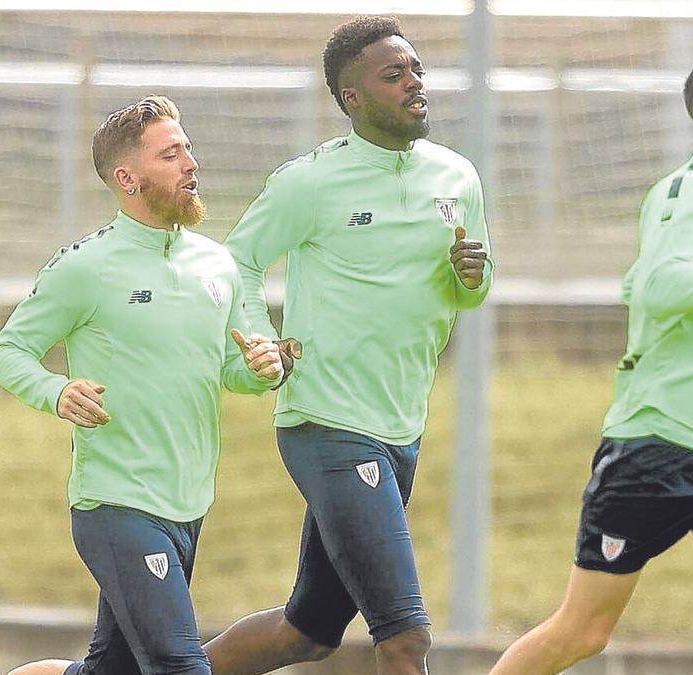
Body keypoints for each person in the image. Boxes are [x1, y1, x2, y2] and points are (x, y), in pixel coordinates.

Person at [488, 48, 693, 675]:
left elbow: (686, 296)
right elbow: (657, 289)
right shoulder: (687, 191)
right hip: (656, 448)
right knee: (582, 633)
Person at [203, 15, 492, 675]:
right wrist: (261, 340)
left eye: (416, 69)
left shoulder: (458, 178)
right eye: (394, 75)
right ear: (354, 99)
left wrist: (470, 277)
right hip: (326, 422)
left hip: (400, 427)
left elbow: (471, 290)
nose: (414, 82)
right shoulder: (309, 181)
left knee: (305, 633)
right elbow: (236, 263)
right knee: (405, 636)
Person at [0, 95, 285, 675]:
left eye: (188, 148)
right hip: (115, 503)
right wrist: (56, 392)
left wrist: (260, 369)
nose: (190, 163)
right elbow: (8, 352)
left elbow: (234, 367)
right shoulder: (85, 267)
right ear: (128, 178)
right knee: (180, 665)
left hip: (189, 503)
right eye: (171, 154)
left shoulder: (217, 265)